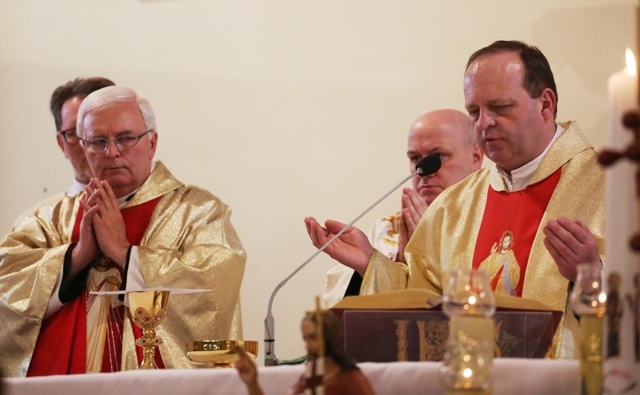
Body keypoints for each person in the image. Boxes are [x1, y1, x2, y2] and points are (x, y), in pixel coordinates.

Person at [305, 40, 604, 358]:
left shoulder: (613, 188)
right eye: (474, 111)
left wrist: (592, 275)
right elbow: (424, 306)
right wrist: (372, 265)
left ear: (546, 104)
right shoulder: (454, 205)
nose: (483, 123)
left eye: (500, 108)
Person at [0, 86, 246, 376]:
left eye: (126, 138)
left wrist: (124, 253)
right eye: (97, 141)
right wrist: (77, 257)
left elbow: (213, 292)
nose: (112, 152)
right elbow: (7, 292)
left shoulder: (199, 212)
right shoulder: (48, 219)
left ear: (152, 143)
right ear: (82, 146)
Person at [322, 109, 483, 308]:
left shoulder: (489, 221)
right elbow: (338, 302)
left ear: (476, 157)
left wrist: (425, 254)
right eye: (415, 158)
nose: (423, 170)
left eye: (437, 156)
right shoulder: (386, 229)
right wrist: (386, 266)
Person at [9, 77, 115, 229]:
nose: (87, 144)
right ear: (61, 143)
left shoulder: (157, 216)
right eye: (74, 133)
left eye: (96, 133)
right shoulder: (35, 226)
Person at [235, 310, 375, 395]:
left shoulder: (352, 381)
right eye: (305, 338)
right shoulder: (309, 379)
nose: (307, 345)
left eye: (313, 337)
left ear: (329, 337)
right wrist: (252, 384)